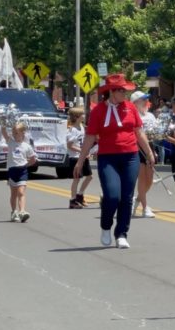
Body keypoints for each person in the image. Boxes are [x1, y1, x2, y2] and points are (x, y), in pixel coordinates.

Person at [73, 74, 155, 249]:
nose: (125, 93)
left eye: (126, 90)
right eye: (122, 90)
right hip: (108, 157)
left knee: (126, 198)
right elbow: (89, 138)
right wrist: (80, 161)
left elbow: (139, 132)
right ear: (112, 92)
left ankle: (122, 234)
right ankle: (105, 226)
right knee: (111, 196)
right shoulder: (98, 111)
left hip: (130, 156)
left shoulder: (131, 109)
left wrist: (149, 152)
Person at [1, 122, 37, 222]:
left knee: (21, 192)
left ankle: (22, 211)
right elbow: (3, 132)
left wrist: (27, 165)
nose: (14, 134)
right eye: (13, 132)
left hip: (22, 171)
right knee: (13, 193)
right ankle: (14, 212)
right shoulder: (11, 142)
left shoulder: (27, 146)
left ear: (23, 133)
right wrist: (3, 121)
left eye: (16, 133)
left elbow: (33, 159)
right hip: (12, 170)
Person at [130, 90, 156, 218]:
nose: (147, 101)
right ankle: (145, 208)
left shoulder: (150, 115)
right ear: (135, 102)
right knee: (142, 178)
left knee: (150, 179)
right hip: (136, 147)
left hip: (150, 146)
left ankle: (137, 199)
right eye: (143, 99)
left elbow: (155, 130)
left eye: (147, 99)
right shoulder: (132, 115)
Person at [66, 107, 93, 209]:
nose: (84, 116)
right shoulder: (72, 130)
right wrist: (83, 152)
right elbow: (69, 145)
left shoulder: (81, 126)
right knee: (76, 179)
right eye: (82, 114)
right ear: (77, 117)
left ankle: (80, 195)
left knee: (89, 177)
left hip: (83, 156)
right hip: (75, 158)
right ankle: (72, 200)